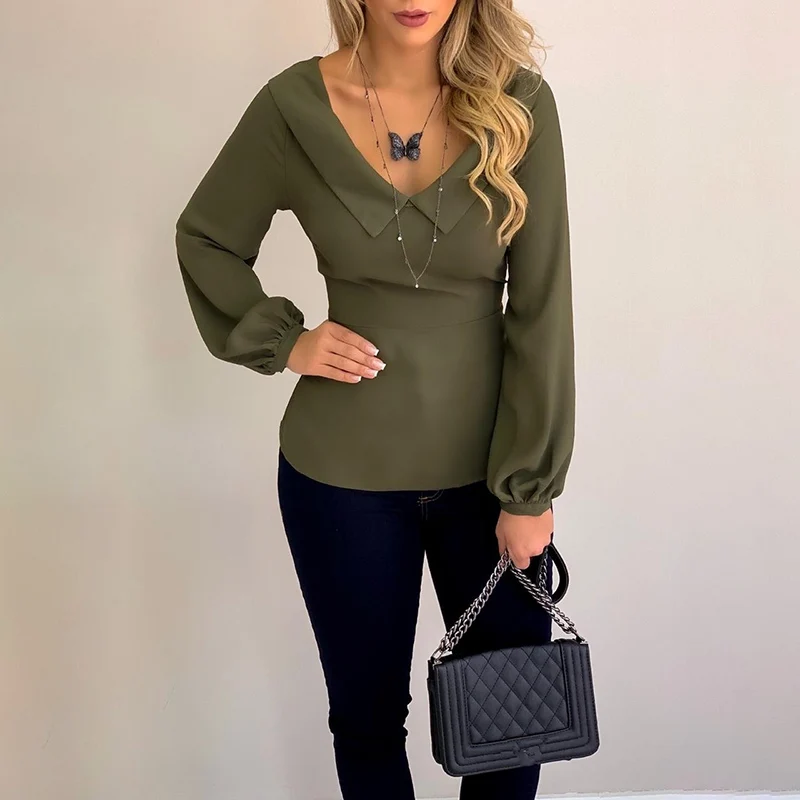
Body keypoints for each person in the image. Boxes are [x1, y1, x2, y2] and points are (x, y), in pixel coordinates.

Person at [174, 1, 575, 797]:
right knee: (365, 724)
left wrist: (529, 488)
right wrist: (285, 340)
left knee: (510, 726)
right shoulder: (293, 108)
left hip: (490, 478)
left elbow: (542, 305)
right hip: (338, 479)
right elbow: (207, 237)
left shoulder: (519, 104)